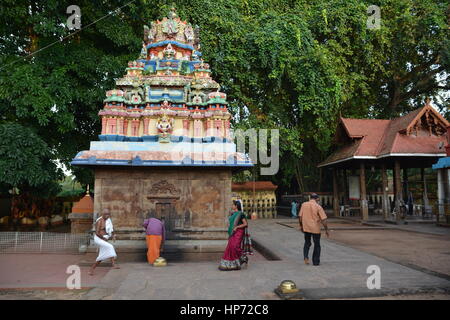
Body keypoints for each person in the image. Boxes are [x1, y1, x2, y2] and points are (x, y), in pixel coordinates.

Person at [298, 193, 329, 266]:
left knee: (307, 242)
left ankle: (306, 257)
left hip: (306, 227)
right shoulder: (318, 207)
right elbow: (324, 220)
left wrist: (301, 226)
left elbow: (300, 217)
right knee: (317, 244)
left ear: (310, 198)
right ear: (317, 198)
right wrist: (326, 229)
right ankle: (315, 262)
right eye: (318, 198)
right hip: (315, 228)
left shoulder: (304, 205)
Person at [218, 200, 249, 271]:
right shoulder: (232, 214)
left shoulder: (241, 214)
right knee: (231, 247)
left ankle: (243, 257)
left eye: (233, 205)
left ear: (236, 206)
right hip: (233, 233)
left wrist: (237, 227)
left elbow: (245, 224)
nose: (232, 206)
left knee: (235, 246)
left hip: (239, 232)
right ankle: (232, 264)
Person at [89, 208, 119, 275]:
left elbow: (112, 229)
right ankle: (113, 264)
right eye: (106, 214)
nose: (107, 216)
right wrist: (103, 238)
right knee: (110, 247)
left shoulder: (108, 220)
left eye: (108, 214)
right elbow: (96, 233)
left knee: (101, 256)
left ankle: (91, 270)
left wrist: (113, 235)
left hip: (104, 238)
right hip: (98, 239)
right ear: (102, 214)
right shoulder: (99, 221)